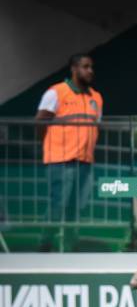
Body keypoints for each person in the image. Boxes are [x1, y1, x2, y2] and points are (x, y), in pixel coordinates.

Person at [35, 53, 103, 238]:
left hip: (85, 160)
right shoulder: (56, 92)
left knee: (77, 206)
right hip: (60, 160)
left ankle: (71, 245)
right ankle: (45, 245)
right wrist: (49, 146)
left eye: (91, 67)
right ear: (74, 69)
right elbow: (40, 121)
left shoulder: (96, 97)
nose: (90, 71)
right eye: (85, 66)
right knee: (58, 204)